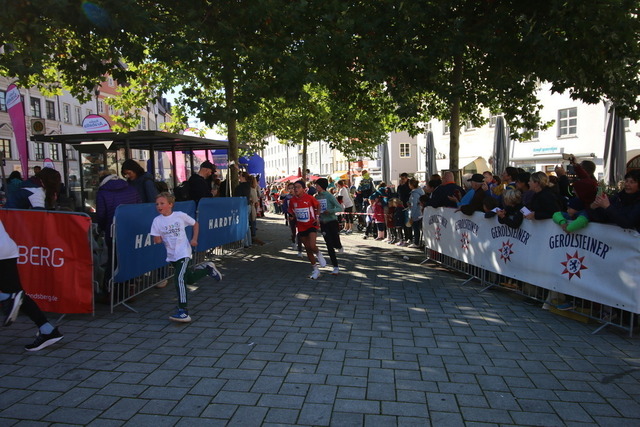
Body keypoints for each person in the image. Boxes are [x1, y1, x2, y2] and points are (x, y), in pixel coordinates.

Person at [150, 192, 222, 323]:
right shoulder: (157, 221)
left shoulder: (179, 216)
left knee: (179, 279)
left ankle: (183, 311)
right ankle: (208, 269)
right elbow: (157, 239)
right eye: (157, 204)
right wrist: (157, 238)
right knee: (189, 279)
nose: (159, 206)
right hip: (171, 255)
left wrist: (194, 239)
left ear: (170, 204)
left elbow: (195, 224)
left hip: (183, 252)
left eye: (162, 203)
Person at [0, 219, 64, 351]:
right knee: (18, 295)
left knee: (15, 295)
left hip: (3, 251)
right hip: (6, 249)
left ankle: (6, 297)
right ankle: (47, 330)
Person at [96, 169, 141, 300]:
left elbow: (101, 214)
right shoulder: (130, 188)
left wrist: (102, 227)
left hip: (113, 231)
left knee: (113, 260)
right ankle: (130, 288)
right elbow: (139, 205)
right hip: (131, 229)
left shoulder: (103, 192)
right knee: (129, 259)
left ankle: (111, 292)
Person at [288, 180, 326, 279]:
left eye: (298, 187)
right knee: (308, 249)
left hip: (311, 225)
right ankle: (315, 270)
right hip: (301, 226)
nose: (295, 189)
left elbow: (318, 205)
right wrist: (291, 217)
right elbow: (291, 212)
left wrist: (317, 217)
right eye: (294, 187)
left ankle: (319, 254)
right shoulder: (292, 200)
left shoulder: (309, 198)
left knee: (312, 245)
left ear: (304, 189)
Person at [314, 178, 343, 275]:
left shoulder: (329, 196)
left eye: (317, 185)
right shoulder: (316, 197)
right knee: (329, 245)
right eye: (315, 185)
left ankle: (339, 246)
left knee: (336, 241)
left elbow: (339, 208)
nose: (316, 187)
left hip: (332, 221)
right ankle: (335, 267)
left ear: (322, 186)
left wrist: (330, 211)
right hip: (323, 223)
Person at [407, 178, 425, 248]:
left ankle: (416, 242)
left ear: (411, 185)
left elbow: (414, 205)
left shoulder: (415, 194)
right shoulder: (420, 191)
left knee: (416, 228)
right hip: (420, 212)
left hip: (416, 213)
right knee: (418, 228)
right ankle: (418, 242)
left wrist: (411, 215)